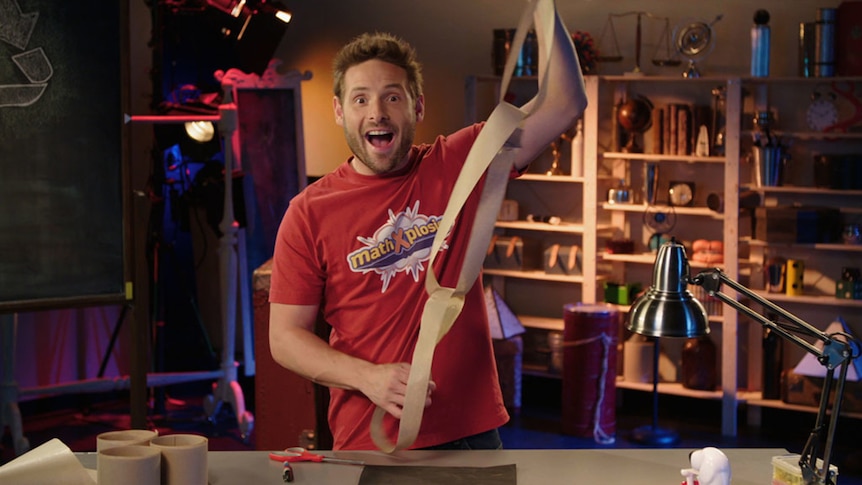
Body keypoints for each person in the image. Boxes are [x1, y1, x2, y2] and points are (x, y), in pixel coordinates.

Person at [268, 3, 587, 450]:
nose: (377, 112)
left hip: (470, 433)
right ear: (340, 111)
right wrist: (368, 378)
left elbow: (565, 103)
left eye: (392, 96)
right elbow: (285, 338)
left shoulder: (461, 161)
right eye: (361, 99)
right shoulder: (307, 212)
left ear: (417, 105)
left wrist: (545, 6)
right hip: (371, 439)